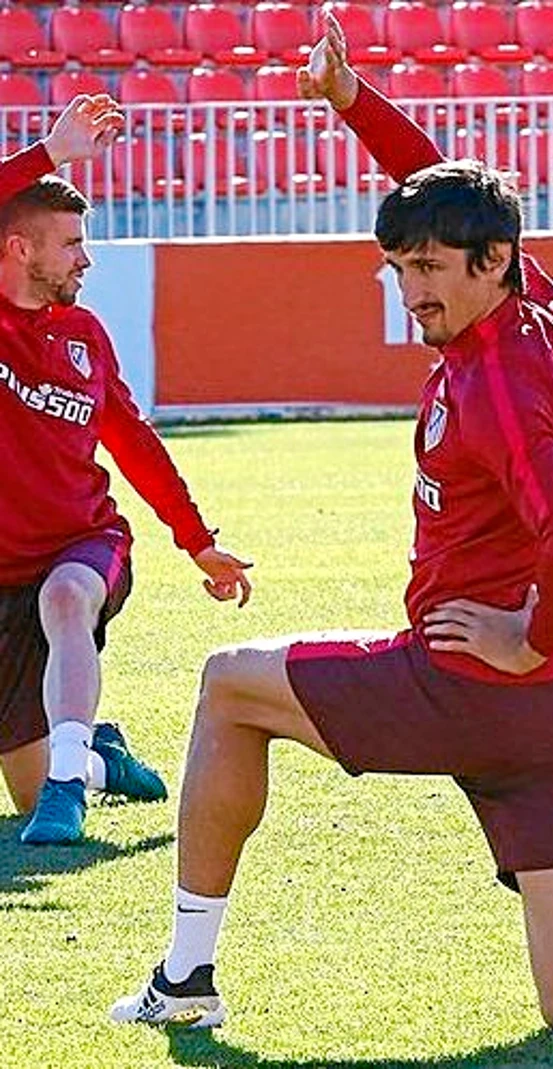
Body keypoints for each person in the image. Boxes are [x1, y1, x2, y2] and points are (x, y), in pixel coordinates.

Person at [110, 17, 553, 1055]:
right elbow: (442, 180)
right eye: (398, 267)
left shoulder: (489, 383)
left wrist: (523, 633)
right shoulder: (542, 307)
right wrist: (353, 104)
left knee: (227, 681)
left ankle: (185, 974)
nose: (412, 288)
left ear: (491, 262)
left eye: (429, 267)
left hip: (470, 683)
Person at [0, 95, 253, 846]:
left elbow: (135, 442)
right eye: (73, 241)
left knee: (70, 596)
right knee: (24, 777)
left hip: (81, 545)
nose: (87, 256)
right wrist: (49, 153)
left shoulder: (85, 336)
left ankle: (69, 786)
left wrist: (197, 539)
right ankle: (95, 757)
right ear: (19, 248)